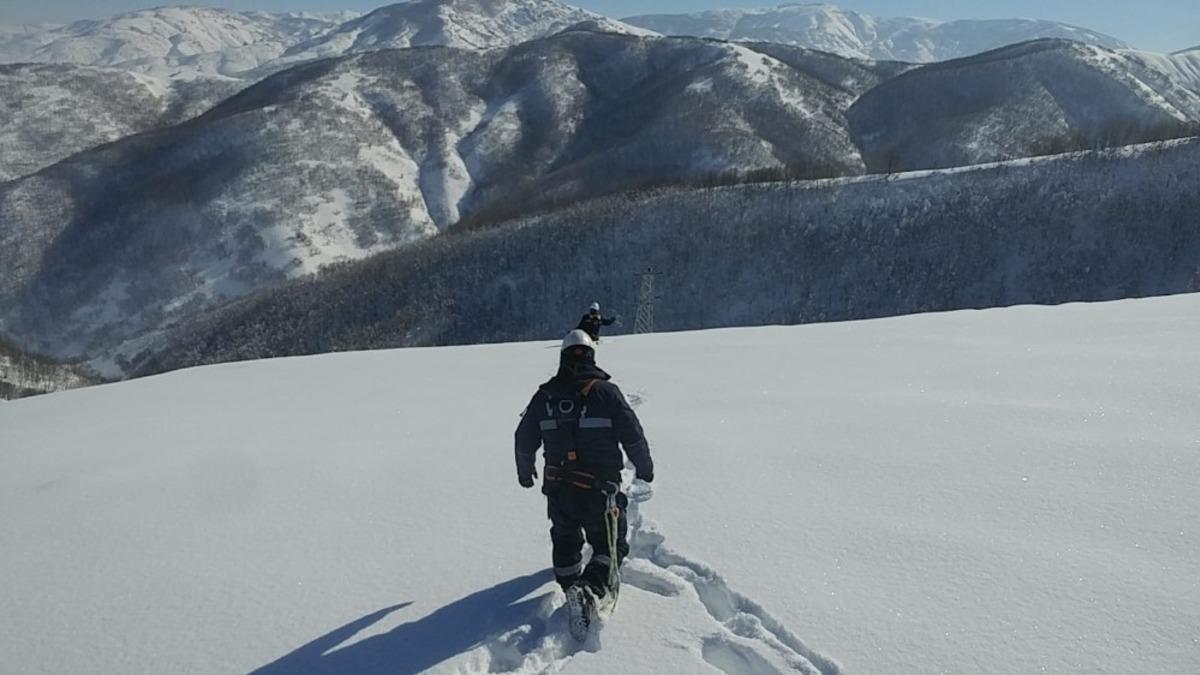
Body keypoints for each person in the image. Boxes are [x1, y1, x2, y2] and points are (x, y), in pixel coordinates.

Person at [514, 329, 653, 600]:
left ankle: (569, 588)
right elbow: (632, 435)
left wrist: (524, 471)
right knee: (609, 545)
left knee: (565, 539)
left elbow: (523, 438)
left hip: (558, 489)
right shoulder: (607, 393)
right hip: (600, 490)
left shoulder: (544, 397)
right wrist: (645, 469)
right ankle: (589, 589)